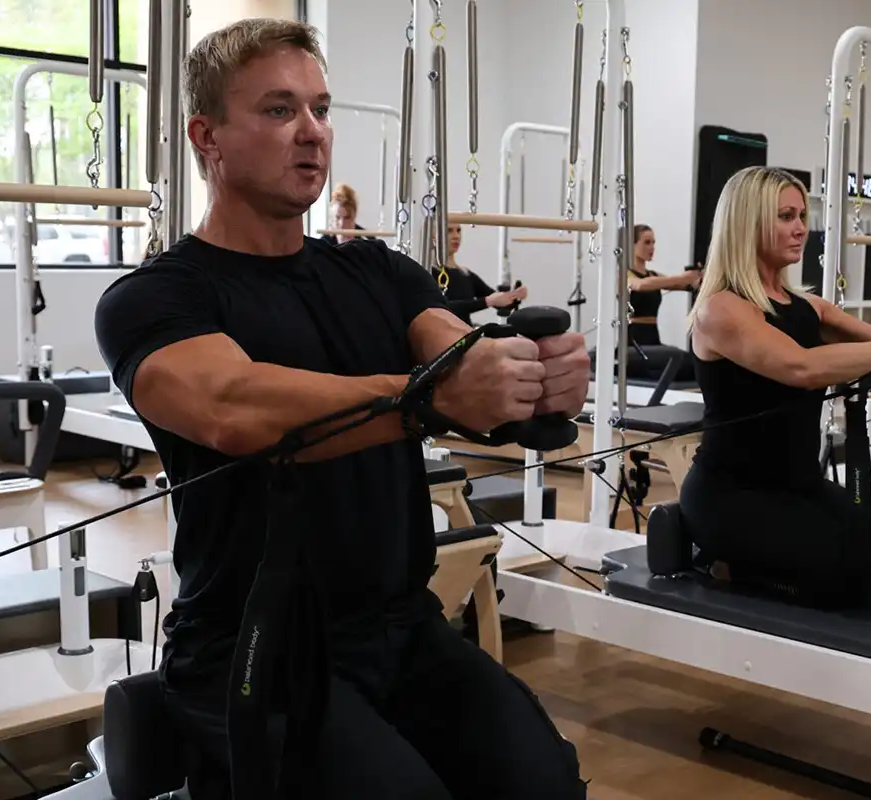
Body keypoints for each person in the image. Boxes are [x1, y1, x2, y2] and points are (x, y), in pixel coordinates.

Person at [92, 19, 586, 800]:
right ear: (207, 135)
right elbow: (238, 408)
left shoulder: (376, 271)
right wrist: (434, 397)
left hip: (404, 630)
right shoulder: (156, 297)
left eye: (321, 110)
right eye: (280, 110)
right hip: (253, 650)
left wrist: (531, 378)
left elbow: (456, 354)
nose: (313, 133)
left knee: (544, 783)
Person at [681, 166, 871, 608]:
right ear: (747, 223)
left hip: (800, 486)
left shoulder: (806, 306)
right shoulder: (722, 310)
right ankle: (720, 562)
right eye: (786, 216)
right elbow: (802, 367)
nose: (801, 228)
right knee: (852, 577)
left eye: (802, 215)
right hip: (731, 496)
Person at [618, 224, 702, 382]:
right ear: (632, 244)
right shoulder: (623, 275)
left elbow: (686, 286)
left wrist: (699, 277)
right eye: (647, 242)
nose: (652, 247)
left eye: (653, 243)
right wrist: (682, 277)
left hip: (653, 340)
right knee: (681, 361)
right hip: (633, 344)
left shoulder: (653, 275)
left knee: (692, 366)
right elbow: (640, 285)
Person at [435, 221, 528, 322]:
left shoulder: (465, 274)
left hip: (464, 334)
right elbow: (442, 307)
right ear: (434, 236)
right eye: (449, 231)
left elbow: (499, 303)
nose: (456, 236)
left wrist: (514, 296)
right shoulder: (429, 272)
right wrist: (488, 301)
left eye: (458, 230)